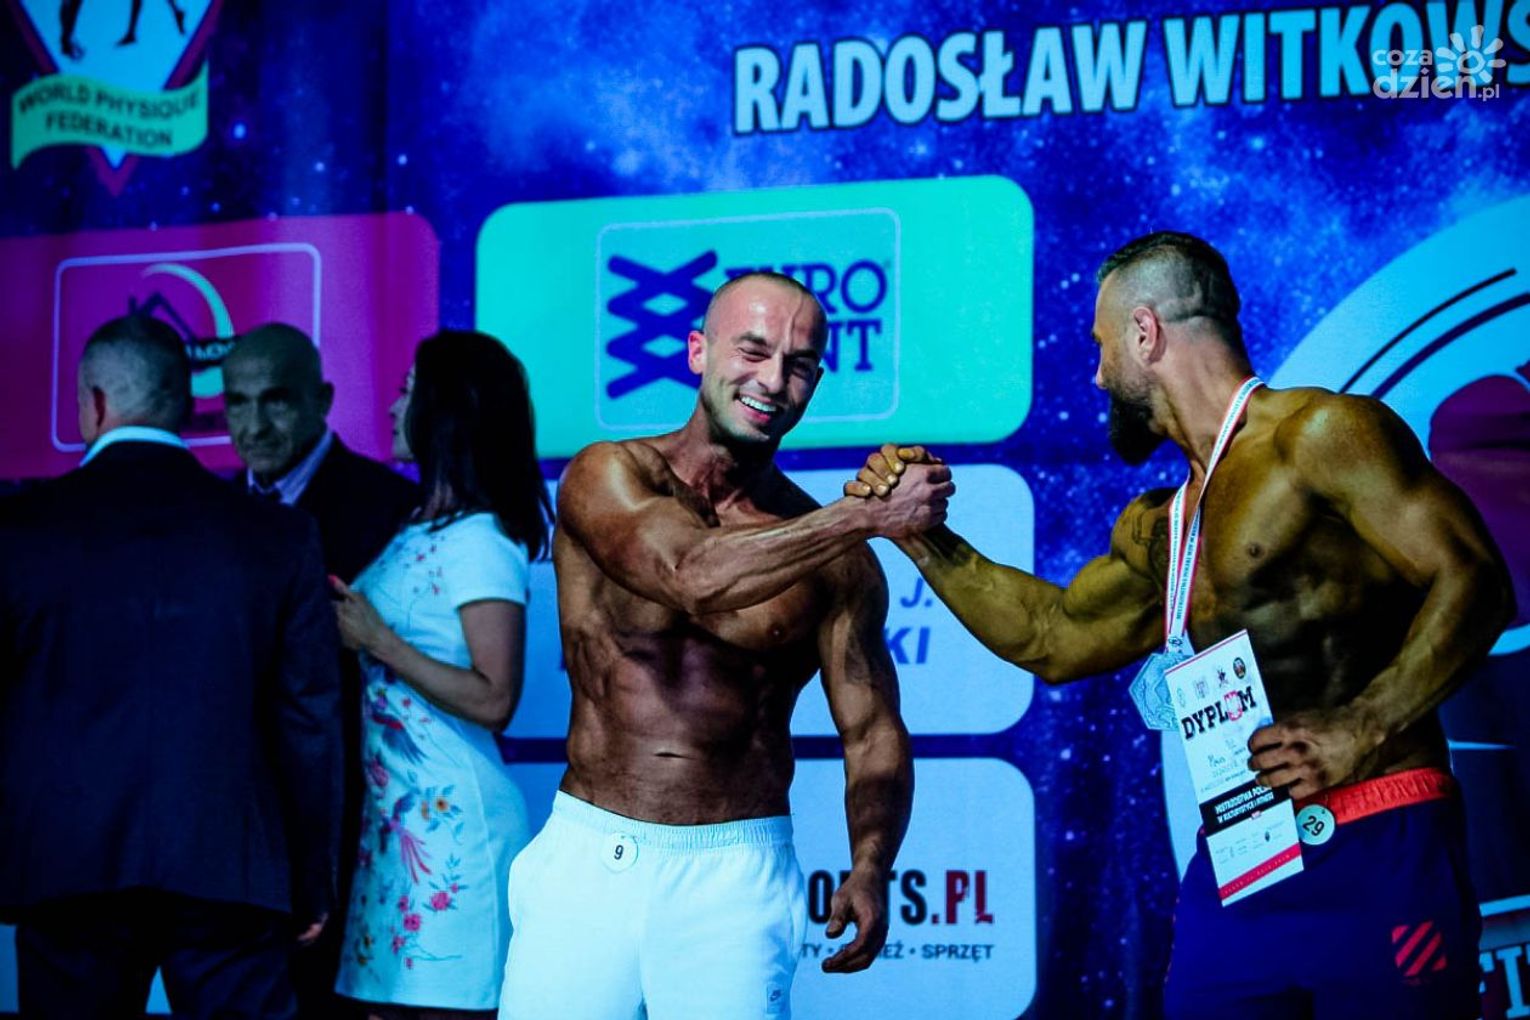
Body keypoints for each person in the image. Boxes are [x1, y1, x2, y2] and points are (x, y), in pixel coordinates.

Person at [850, 231, 1515, 1019]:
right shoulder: (1163, 526)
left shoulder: (1322, 436)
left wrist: (1363, 724)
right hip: (1242, 862)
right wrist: (920, 536)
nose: (1097, 375)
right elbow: (1052, 636)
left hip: (1378, 839)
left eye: (1101, 346)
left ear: (1145, 332)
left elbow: (1476, 579)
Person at [497, 272, 952, 1020]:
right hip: (587, 860)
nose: (772, 381)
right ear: (697, 351)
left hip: (737, 875)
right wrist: (860, 516)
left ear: (815, 384)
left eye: (798, 365)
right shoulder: (606, 475)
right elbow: (689, 576)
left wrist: (872, 863)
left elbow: (872, 732)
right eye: (753, 350)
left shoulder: (838, 564)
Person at [0, 314, 342, 1018]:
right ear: (188, 405)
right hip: (233, 867)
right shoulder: (278, 534)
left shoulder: (19, 531)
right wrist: (311, 876)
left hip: (68, 865)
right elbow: (309, 722)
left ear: (95, 403)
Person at [330, 330, 551, 1019]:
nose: (393, 406)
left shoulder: (482, 541)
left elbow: (496, 697)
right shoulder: (413, 528)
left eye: (407, 391)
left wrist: (378, 640)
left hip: (452, 832)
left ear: (445, 409)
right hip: (392, 830)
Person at [223, 322, 420, 1019]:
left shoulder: (390, 507)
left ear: (323, 399)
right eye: (237, 403)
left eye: (275, 400)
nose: (254, 425)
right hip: (231, 827)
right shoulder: (212, 514)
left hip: (354, 822)